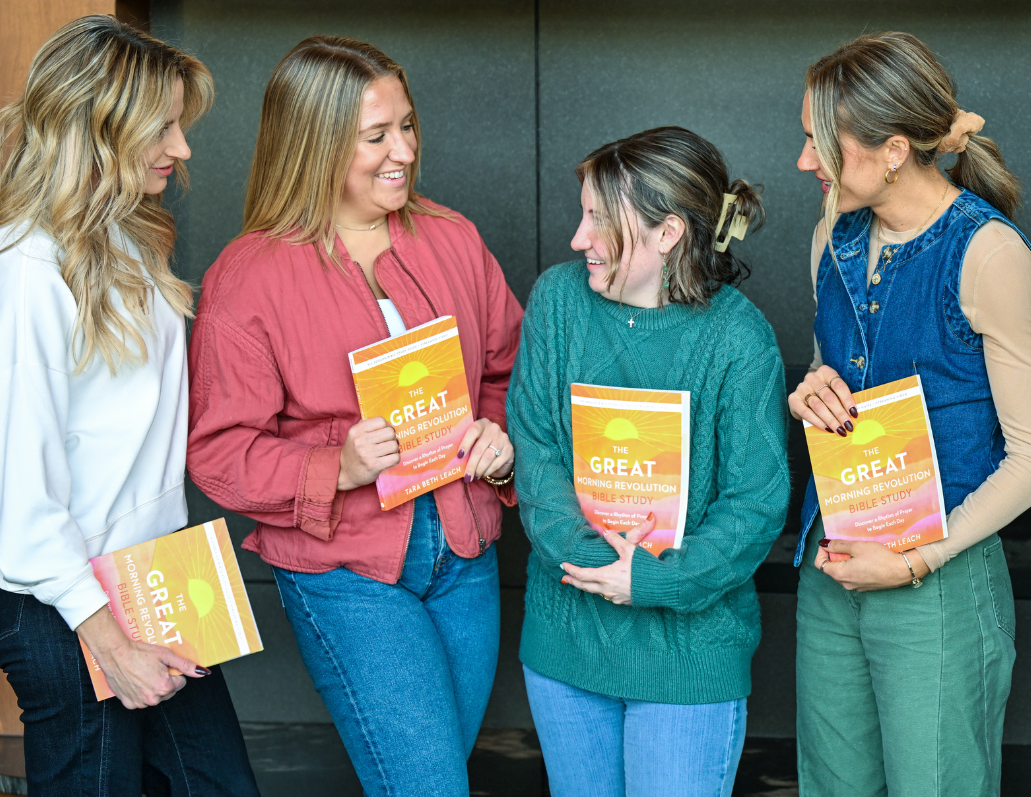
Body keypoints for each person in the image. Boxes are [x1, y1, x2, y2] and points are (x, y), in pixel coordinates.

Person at [186, 36, 524, 797]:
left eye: (406, 125)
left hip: (463, 555)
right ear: (315, 143)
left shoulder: (453, 237)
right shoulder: (249, 275)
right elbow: (217, 451)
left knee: (435, 776)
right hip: (348, 569)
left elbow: (507, 369)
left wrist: (496, 436)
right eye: (376, 136)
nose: (403, 150)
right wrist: (333, 465)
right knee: (428, 786)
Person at [0, 16, 259, 796]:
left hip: (147, 575)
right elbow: (21, 502)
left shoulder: (130, 243)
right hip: (61, 599)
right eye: (164, 127)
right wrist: (103, 634)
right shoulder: (28, 274)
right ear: (98, 127)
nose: (181, 149)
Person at [507, 126, 790, 797]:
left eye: (599, 220)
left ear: (667, 233)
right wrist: (599, 560)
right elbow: (535, 450)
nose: (579, 239)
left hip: (687, 661)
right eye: (582, 215)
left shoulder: (738, 339)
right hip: (565, 648)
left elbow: (754, 504)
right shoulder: (556, 300)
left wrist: (655, 580)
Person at [790, 31, 1031, 797]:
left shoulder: (988, 255)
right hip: (830, 570)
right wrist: (810, 388)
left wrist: (914, 558)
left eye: (818, 142)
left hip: (939, 583)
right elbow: (834, 370)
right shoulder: (830, 236)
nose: (804, 162)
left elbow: (1030, 457)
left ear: (893, 148)